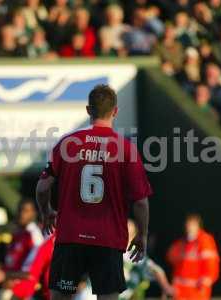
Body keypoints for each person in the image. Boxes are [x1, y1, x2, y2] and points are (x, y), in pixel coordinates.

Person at [36, 84, 152, 300]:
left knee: (60, 296)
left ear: (88, 110)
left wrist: (46, 212)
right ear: (115, 111)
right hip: (108, 239)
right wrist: (142, 235)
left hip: (70, 236)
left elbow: (43, 187)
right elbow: (141, 202)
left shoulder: (67, 143)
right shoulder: (126, 149)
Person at [167, 214, 220, 300]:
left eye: (192, 224)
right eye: (188, 224)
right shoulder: (183, 243)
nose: (189, 227)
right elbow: (171, 257)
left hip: (197, 292)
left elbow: (211, 264)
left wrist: (204, 284)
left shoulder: (205, 241)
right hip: (180, 292)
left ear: (198, 225)